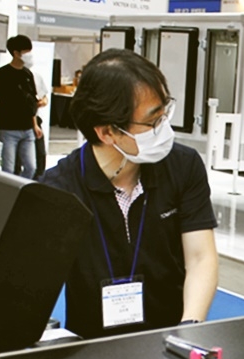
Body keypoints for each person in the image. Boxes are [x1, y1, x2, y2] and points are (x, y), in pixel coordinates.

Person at [41, 49, 219, 340]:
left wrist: (188, 331)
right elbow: (33, 288)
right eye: (153, 121)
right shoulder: (59, 191)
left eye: (165, 113)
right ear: (108, 133)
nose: (164, 128)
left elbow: (201, 257)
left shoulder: (183, 165)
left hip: (171, 340)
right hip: (91, 349)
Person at [0, 35, 42, 179]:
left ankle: (20, 191)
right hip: (9, 129)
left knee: (31, 167)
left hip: (28, 130)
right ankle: (9, 196)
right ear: (16, 53)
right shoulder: (1, 75)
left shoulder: (28, 74)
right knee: (8, 169)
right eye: (26, 51)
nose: (30, 55)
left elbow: (31, 101)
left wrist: (35, 124)